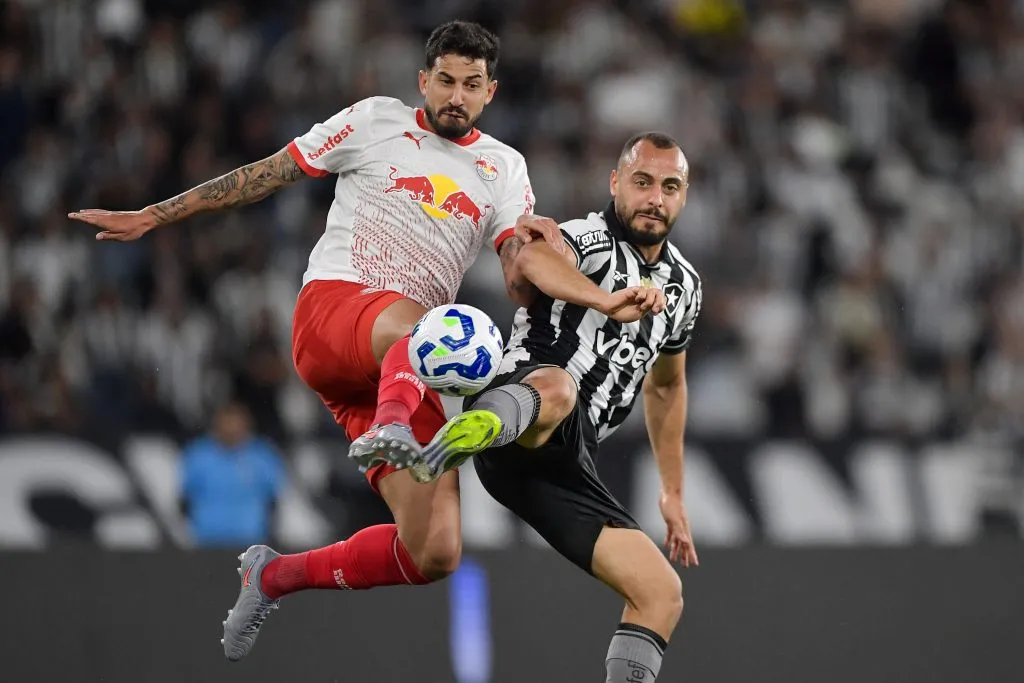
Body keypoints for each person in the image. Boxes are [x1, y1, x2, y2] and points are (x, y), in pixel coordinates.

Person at [69, 20, 655, 663]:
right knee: (432, 324)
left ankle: (272, 576)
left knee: (435, 552)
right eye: (446, 82)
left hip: (403, 363)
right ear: (422, 81)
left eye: (472, 85)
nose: (456, 96)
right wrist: (155, 214)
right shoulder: (376, 120)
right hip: (337, 313)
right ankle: (397, 427)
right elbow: (268, 174)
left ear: (491, 92)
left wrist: (593, 295)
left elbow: (523, 264)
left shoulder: (503, 168)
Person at [420, 132, 702, 683]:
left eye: (669, 187)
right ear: (616, 183)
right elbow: (533, 260)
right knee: (560, 388)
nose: (654, 198)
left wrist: (672, 492)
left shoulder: (685, 288)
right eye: (642, 182)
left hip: (566, 464)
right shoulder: (588, 238)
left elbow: (666, 388)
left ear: (684, 196)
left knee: (661, 592)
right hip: (524, 407)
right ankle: (474, 428)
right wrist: (604, 299)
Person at [180, 401, 285, 548]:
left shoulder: (263, 455)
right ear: (216, 424)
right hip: (207, 542)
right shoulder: (198, 455)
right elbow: (185, 500)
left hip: (251, 541)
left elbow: (273, 500)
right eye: (226, 422)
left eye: (235, 422)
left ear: (247, 424)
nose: (231, 428)